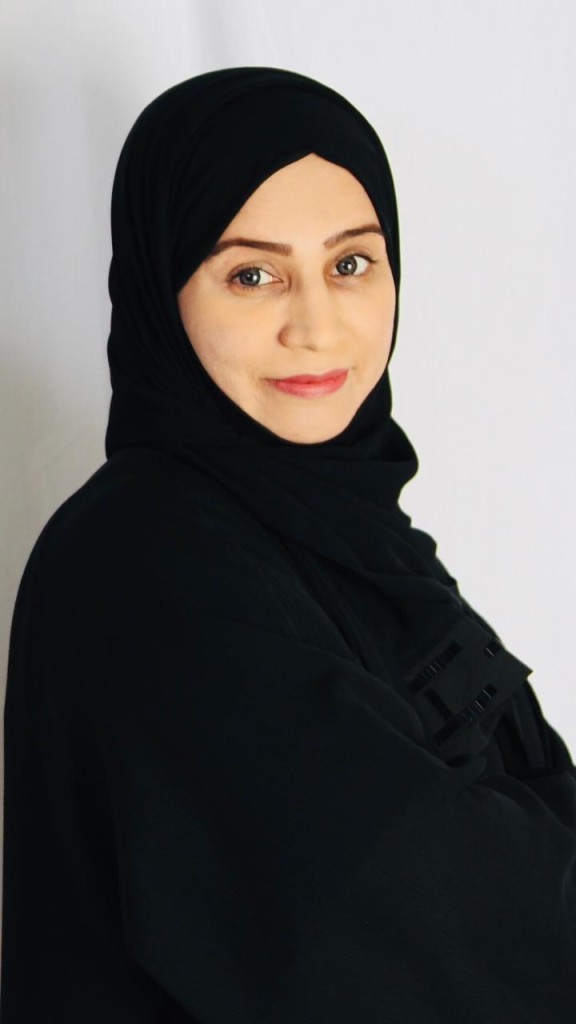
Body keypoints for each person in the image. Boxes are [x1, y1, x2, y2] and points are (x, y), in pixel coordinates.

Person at [1, 65, 575, 1023]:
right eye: (252, 274)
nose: (317, 326)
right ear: (161, 290)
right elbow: (423, 919)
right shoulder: (142, 562)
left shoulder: (353, 528)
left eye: (351, 264)